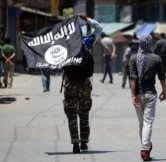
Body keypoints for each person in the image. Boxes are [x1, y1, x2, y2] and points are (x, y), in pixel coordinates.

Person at [63, 13, 102, 153]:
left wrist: (27, 39)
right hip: (85, 84)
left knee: (71, 113)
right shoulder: (87, 42)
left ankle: (75, 143)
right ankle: (84, 142)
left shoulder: (65, 45)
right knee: (84, 113)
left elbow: (44, 46)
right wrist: (87, 19)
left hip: (70, 84)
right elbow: (99, 28)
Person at [129, 34, 166, 161]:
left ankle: (146, 146)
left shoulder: (134, 58)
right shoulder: (156, 58)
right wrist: (164, 91)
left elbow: (133, 78)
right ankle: (145, 149)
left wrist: (133, 95)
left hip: (138, 94)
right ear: (150, 43)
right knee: (147, 123)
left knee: (142, 124)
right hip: (150, 94)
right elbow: (162, 76)